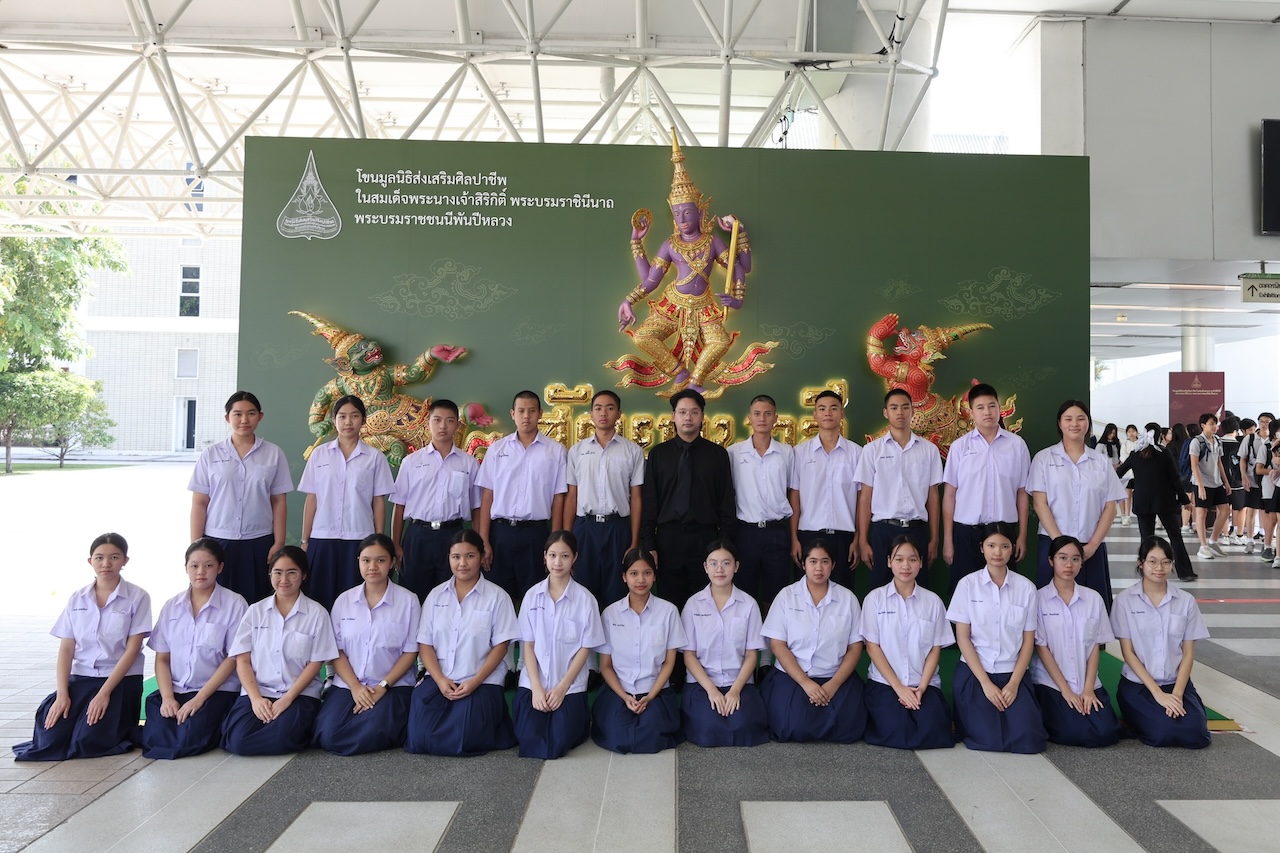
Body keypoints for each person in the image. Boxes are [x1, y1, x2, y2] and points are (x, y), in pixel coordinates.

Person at [14, 534, 151, 761]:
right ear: (90, 561)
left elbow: (133, 649)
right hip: (83, 677)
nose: (106, 563)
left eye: (114, 557)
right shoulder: (78, 598)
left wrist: (103, 694)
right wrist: (62, 694)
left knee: (87, 741)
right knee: (50, 736)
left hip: (119, 681)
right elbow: (66, 649)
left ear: (125, 560)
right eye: (99, 558)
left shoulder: (138, 597)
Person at [407, 529, 519, 756]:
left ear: (482, 556)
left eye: (470, 556)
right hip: (441, 679)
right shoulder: (435, 596)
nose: (462, 563)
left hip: (481, 681)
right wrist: (439, 679)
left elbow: (501, 647)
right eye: (456, 557)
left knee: (466, 736)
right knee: (419, 738)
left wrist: (475, 681)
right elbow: (425, 644)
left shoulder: (498, 597)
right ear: (448, 558)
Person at [222, 547, 338, 755]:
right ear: (270, 574)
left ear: (303, 575)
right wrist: (256, 699)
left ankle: (298, 728)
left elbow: (315, 663)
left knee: (284, 737)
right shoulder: (255, 611)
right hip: (259, 691)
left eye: (292, 572)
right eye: (277, 572)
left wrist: (286, 699)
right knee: (237, 741)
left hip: (299, 693)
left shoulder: (317, 614)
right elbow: (243, 661)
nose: (284, 579)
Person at [312, 534, 420, 755]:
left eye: (380, 560)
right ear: (358, 562)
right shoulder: (344, 601)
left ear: (392, 562)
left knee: (371, 730)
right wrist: (355, 687)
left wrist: (382, 687)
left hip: (393, 686)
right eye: (366, 560)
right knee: (326, 733)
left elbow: (410, 652)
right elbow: (337, 650)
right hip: (350, 685)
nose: (373, 567)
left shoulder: (408, 601)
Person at [142, 539, 248, 759]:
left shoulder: (235, 604)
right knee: (156, 736)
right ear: (186, 568)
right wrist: (168, 697)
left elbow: (232, 659)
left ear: (220, 567)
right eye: (194, 566)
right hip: (177, 689)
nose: (201, 572)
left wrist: (200, 698)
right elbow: (162, 658)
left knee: (189, 738)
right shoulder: (172, 606)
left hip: (215, 691)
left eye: (208, 565)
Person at [946, 522, 1046, 754]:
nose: (997, 552)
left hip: (1013, 672)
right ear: (982, 548)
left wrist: (1014, 684)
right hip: (975, 673)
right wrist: (985, 683)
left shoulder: (1026, 588)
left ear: (1013, 549)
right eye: (991, 545)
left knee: (1028, 739)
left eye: (1004, 546)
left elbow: (1028, 641)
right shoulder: (967, 585)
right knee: (985, 739)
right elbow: (963, 639)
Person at [189, 391, 293, 603]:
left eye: (251, 413)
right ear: (227, 418)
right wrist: (196, 545)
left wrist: (279, 542)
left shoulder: (274, 454)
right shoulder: (210, 454)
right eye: (237, 414)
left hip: (259, 542)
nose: (244, 419)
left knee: (257, 600)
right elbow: (199, 503)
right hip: (217, 540)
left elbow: (279, 502)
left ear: (260, 416)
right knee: (217, 601)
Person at [760, 540, 867, 743]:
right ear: (803, 564)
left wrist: (834, 684)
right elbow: (777, 645)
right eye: (813, 561)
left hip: (835, 675)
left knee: (848, 728)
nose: (819, 568)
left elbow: (855, 648)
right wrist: (805, 683)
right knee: (793, 727)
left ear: (833, 565)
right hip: (793, 676)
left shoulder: (848, 599)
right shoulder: (786, 596)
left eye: (825, 561)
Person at [1111, 536, 1212, 748]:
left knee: (1197, 734)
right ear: (1141, 563)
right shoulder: (1124, 600)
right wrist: (1158, 694)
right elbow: (1128, 653)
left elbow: (1188, 653)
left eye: (1166, 562)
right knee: (1161, 733)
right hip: (1138, 685)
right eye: (1153, 561)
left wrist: (1176, 695)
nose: (1160, 568)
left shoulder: (1185, 601)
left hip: (1176, 683)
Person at [640, 389, 736, 608]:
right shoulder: (658, 454)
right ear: (673, 416)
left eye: (694, 412)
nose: (688, 417)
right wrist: (649, 544)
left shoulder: (717, 455)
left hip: (706, 538)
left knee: (704, 605)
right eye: (682, 412)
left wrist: (725, 545)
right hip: (668, 540)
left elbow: (726, 503)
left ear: (702, 416)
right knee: (669, 604)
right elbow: (650, 502)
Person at [512, 531, 605, 759]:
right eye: (552, 555)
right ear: (544, 556)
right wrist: (536, 687)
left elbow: (585, 649)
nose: (558, 562)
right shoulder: (532, 596)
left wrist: (563, 687)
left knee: (559, 741)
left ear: (575, 558)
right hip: (534, 683)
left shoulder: (585, 600)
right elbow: (528, 645)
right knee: (529, 737)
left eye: (565, 556)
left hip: (569, 685)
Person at [297, 395, 394, 611]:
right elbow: (312, 498)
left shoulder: (375, 457)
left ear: (363, 420)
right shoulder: (319, 455)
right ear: (334, 420)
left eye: (354, 416)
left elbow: (378, 502)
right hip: (322, 538)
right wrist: (305, 541)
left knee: (355, 602)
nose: (348, 422)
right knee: (319, 599)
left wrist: (378, 540)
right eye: (342, 416)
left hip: (359, 538)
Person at [1029, 400, 1126, 610]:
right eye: (1068, 419)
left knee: (1093, 608)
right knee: (1049, 607)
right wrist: (1061, 547)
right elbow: (1039, 503)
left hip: (1091, 545)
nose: (1075, 424)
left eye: (1081, 419)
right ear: (1059, 423)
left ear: (1088, 423)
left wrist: (1091, 546)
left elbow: (1110, 507)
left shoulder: (1100, 462)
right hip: (1052, 544)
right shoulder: (1043, 458)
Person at [861, 536, 955, 750]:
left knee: (932, 730)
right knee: (895, 729)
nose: (906, 566)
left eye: (912, 559)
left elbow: (935, 650)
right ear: (889, 562)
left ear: (921, 563)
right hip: (885, 684)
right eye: (899, 559)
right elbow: (872, 647)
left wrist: (921, 688)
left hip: (923, 684)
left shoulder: (933, 602)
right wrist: (899, 688)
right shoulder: (874, 599)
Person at [476, 390, 568, 604]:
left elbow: (558, 500)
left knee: (535, 598)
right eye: (521, 411)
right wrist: (484, 541)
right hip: (500, 534)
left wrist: (554, 544)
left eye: (532, 411)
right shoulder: (497, 450)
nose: (526, 416)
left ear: (540, 413)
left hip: (536, 535)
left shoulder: (555, 451)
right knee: (496, 599)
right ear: (512, 414)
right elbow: (487, 497)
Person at [1031, 536, 1124, 747]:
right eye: (1062, 558)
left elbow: (1095, 647)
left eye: (1075, 559)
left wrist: (1088, 688)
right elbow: (1042, 648)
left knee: (1107, 732)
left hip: (1085, 681)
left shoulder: (1093, 599)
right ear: (1051, 561)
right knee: (1073, 733)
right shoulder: (1038, 599)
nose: (1069, 565)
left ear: (1082, 563)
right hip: (1051, 683)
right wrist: (1066, 690)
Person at [591, 550, 687, 754]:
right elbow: (605, 666)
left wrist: (650, 696)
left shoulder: (668, 611)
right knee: (617, 736)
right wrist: (625, 697)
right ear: (624, 577)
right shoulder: (610, 614)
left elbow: (669, 663)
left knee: (652, 733)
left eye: (647, 573)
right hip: (619, 690)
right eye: (634, 573)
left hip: (655, 690)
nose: (641, 580)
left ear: (654, 575)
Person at [942, 383, 1031, 599]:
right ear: (971, 412)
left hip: (1004, 534)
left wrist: (1022, 536)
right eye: (980, 407)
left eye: (992, 406)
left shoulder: (1017, 445)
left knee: (1004, 596)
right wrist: (948, 540)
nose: (987, 412)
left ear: (999, 408)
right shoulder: (960, 447)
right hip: (967, 534)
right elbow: (949, 495)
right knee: (965, 597)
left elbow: (1022, 493)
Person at [679, 540, 770, 747]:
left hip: (738, 681)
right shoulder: (693, 604)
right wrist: (711, 690)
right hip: (702, 683)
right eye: (713, 563)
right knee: (709, 728)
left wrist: (735, 690)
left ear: (736, 566)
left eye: (726, 563)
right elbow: (689, 655)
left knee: (743, 727)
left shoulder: (749, 604)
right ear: (705, 567)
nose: (719, 569)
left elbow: (751, 654)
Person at [389, 398, 481, 602]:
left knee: (450, 596)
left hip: (454, 535)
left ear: (457, 425)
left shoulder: (468, 463)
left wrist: (478, 544)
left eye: (449, 421)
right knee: (412, 596)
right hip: (417, 535)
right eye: (437, 420)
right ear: (428, 423)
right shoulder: (411, 462)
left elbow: (477, 507)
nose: (443, 426)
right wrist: (395, 543)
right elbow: (399, 505)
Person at [562, 389, 645, 609]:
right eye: (598, 408)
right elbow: (571, 497)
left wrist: (634, 542)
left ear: (619, 413)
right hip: (585, 528)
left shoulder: (632, 451)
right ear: (591, 414)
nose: (603, 413)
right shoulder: (577, 451)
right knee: (583, 594)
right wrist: (566, 539)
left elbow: (636, 499)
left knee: (616, 593)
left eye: (610, 408)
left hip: (617, 528)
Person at [856, 389, 943, 590]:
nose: (900, 412)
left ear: (913, 411)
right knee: (880, 590)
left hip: (917, 529)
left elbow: (933, 496)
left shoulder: (929, 450)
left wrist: (934, 539)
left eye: (905, 407)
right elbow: (865, 497)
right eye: (894, 408)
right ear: (886, 412)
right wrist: (863, 541)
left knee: (918, 591)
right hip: (883, 530)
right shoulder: (872, 450)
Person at [789, 390, 862, 590]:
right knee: (806, 594)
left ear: (842, 414)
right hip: (808, 535)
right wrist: (794, 538)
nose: (828, 413)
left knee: (843, 595)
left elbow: (861, 499)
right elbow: (794, 497)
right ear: (815, 415)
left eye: (833, 408)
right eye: (822, 409)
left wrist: (858, 539)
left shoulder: (856, 453)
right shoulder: (799, 453)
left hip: (844, 537)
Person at [728, 394, 795, 610]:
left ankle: (772, 632)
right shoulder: (734, 453)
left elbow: (793, 491)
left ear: (775, 418)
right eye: (757, 414)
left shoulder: (787, 453)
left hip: (777, 531)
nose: (762, 418)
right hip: (745, 532)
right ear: (749, 418)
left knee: (775, 595)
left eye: (767, 414)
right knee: (744, 594)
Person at [1116, 424, 1197, 580]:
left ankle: (1146, 572)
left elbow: (1119, 472)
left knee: (1146, 539)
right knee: (1175, 536)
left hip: (1142, 501)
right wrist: (1185, 500)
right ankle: (1185, 572)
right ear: (1160, 436)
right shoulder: (1163, 453)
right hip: (1164, 501)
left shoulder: (1135, 454)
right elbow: (1174, 479)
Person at [1189, 413, 1233, 560]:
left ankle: (1213, 541)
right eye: (1212, 424)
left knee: (1225, 510)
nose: (1215, 427)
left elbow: (1219, 462)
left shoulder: (1218, 440)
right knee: (1201, 513)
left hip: (1217, 482)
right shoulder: (1197, 442)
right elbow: (1194, 465)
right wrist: (1200, 486)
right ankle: (1203, 546)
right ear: (1203, 425)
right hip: (1201, 482)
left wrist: (1226, 482)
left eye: (1216, 424)